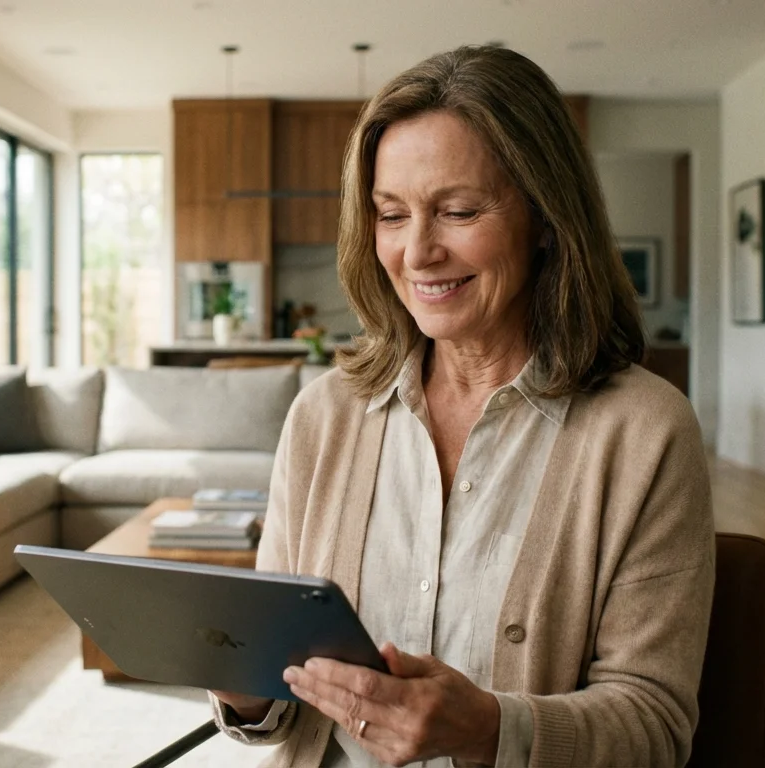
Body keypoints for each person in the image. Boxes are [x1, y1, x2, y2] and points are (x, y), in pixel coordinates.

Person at [210, 44, 714, 768]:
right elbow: (278, 702)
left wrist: (488, 729)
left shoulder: (646, 432)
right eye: (391, 215)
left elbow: (654, 725)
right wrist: (244, 685)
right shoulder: (322, 418)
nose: (417, 253)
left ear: (546, 216)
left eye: (458, 210)